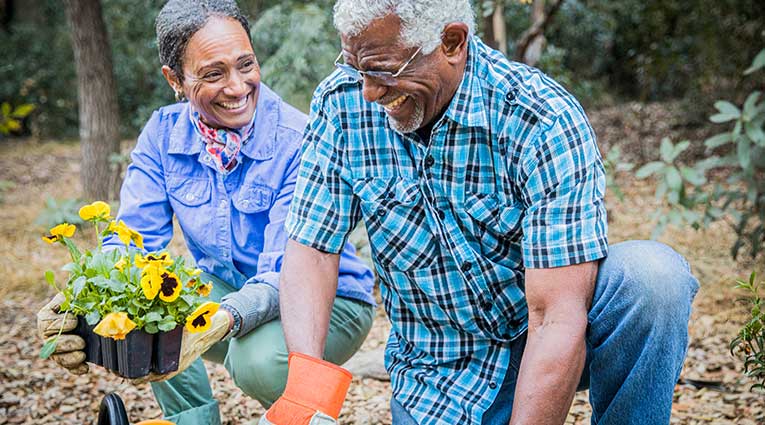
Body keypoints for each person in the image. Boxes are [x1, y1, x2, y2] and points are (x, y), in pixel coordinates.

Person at [263, 1, 700, 424]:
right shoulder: (341, 104)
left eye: (384, 71)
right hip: (437, 371)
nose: (369, 92)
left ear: (452, 42)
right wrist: (305, 390)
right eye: (357, 69)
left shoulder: (539, 119)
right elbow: (312, 249)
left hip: (547, 339)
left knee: (653, 280)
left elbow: (555, 316)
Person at [35, 1, 376, 424]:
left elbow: (284, 270)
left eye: (245, 65)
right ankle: (191, 420)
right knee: (148, 303)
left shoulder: (297, 139)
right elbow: (129, 243)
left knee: (256, 361)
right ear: (175, 79)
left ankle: (308, 413)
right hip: (230, 287)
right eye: (213, 74)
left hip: (328, 299)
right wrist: (81, 303)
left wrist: (227, 316)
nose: (237, 87)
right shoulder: (163, 135)